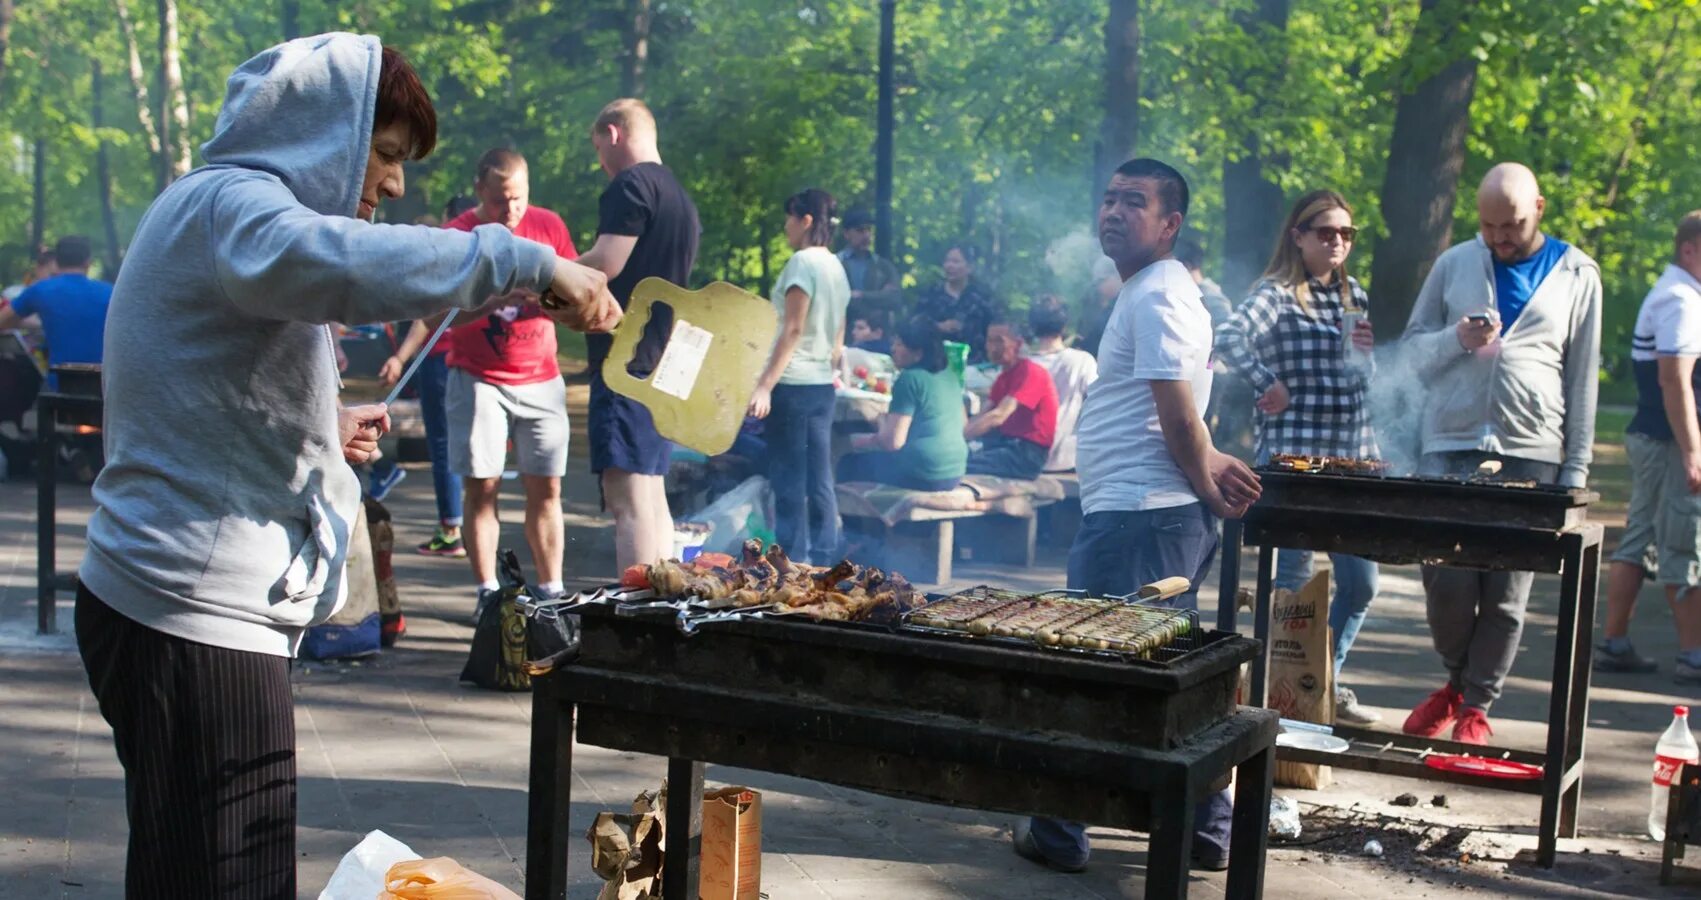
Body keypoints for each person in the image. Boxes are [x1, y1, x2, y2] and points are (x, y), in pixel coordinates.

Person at [74, 35, 617, 898]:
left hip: (168, 600)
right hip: (193, 616)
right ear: (321, 134)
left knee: (185, 869)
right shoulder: (236, 205)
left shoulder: (216, 208)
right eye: (387, 155)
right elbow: (340, 262)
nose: (394, 184)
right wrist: (521, 259)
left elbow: (194, 380)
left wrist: (318, 423)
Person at [1014, 158, 1260, 875]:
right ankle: (1206, 830)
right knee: (1169, 677)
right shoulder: (1155, 290)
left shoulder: (1155, 295)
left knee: (1092, 670)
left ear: (1169, 223)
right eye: (1109, 199)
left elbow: (1178, 416)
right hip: (1145, 515)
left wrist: (1204, 482)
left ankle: (1059, 832)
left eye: (1134, 202)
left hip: (1137, 518)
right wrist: (1206, 471)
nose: (1113, 212)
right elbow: (1186, 417)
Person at [1399, 162, 1601, 744]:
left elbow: (1583, 380)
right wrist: (1455, 339)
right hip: (1451, 446)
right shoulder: (1453, 264)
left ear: (1538, 207)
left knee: (1508, 593)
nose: (1499, 238)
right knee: (1448, 584)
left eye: (1509, 225)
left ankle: (1475, 707)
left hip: (1532, 452)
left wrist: (1576, 470)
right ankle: (1458, 684)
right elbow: (1411, 355)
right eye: (1488, 226)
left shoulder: (1576, 272)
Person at [1214, 190, 1383, 726]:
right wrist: (1269, 382)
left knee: (1361, 584)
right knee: (1293, 584)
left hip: (1351, 461)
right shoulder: (1279, 292)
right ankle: (1278, 700)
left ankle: (1322, 680)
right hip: (1295, 462)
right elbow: (1229, 336)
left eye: (1347, 234)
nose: (1338, 242)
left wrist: (1368, 357)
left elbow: (1360, 380)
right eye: (1326, 232)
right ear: (1299, 236)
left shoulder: (1353, 292)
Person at [437, 148, 579, 616]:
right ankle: (486, 592)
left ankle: (553, 589)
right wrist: (497, 297)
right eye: (500, 200)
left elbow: (578, 296)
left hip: (542, 377)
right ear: (480, 191)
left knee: (548, 488)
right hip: (478, 378)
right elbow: (440, 315)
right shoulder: (457, 235)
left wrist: (547, 299)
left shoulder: (548, 226)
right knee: (483, 486)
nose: (511, 211)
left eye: (518, 198)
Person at [576, 98, 701, 571]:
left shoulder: (631, 185)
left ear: (613, 133)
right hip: (666, 358)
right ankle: (661, 604)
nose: (600, 163)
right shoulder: (680, 199)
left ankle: (634, 614)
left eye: (597, 148)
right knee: (651, 490)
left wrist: (547, 271)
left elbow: (605, 264)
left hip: (625, 359)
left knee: (626, 497)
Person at [1596, 211, 1701, 685]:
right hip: (1667, 441)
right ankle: (1693, 654)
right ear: (1690, 249)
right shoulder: (1681, 300)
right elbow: (1674, 380)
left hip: (1657, 438)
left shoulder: (1678, 294)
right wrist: (1693, 449)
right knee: (1682, 540)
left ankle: (1616, 643)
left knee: (1640, 537)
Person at [748, 188, 850, 564]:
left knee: (789, 479)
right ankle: (824, 559)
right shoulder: (836, 265)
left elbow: (792, 329)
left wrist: (764, 385)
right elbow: (839, 327)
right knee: (820, 477)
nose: (786, 225)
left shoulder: (802, 263)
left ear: (806, 220)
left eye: (790, 217)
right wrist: (834, 365)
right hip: (822, 386)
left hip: (793, 387)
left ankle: (790, 561)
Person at [379, 195, 480, 557]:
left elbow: (426, 319)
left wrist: (400, 357)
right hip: (466, 362)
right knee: (466, 446)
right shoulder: (476, 260)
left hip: (440, 360)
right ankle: (465, 525)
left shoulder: (447, 260)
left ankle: (451, 527)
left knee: (443, 444)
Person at [839, 317, 967, 491]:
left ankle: (861, 518)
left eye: (900, 345)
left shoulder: (909, 379)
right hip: (955, 470)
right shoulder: (950, 376)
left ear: (918, 353)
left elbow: (893, 442)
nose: (893, 349)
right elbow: (963, 424)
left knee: (847, 464)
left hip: (923, 472)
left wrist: (865, 438)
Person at [0, 235, 112, 390]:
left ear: (57, 263)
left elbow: (2, 321)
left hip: (59, 384)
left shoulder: (40, 290)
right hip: (104, 385)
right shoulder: (111, 293)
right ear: (88, 262)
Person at [963, 319, 1058, 480]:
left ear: (1018, 344)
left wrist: (960, 437)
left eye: (999, 341)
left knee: (958, 465)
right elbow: (984, 414)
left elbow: (998, 416)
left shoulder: (1032, 372)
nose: (992, 347)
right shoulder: (1003, 378)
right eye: (989, 340)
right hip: (1004, 445)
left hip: (1026, 454)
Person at [1024, 295, 1097, 473]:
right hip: (1067, 460)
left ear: (1032, 327)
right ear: (1064, 326)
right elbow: (1100, 402)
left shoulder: (1022, 365)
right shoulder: (1081, 361)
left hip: (1025, 457)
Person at [918, 242, 995, 362]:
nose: (949, 266)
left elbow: (995, 326)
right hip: (937, 363)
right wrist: (938, 326)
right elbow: (914, 325)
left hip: (975, 363)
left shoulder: (982, 296)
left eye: (955, 262)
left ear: (969, 267)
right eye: (947, 261)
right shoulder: (931, 294)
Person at [837, 208, 902, 313]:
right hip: (843, 327)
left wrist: (861, 295)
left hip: (876, 328)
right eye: (860, 230)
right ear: (846, 234)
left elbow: (894, 299)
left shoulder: (883, 266)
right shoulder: (835, 264)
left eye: (869, 230)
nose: (867, 235)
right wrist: (879, 295)